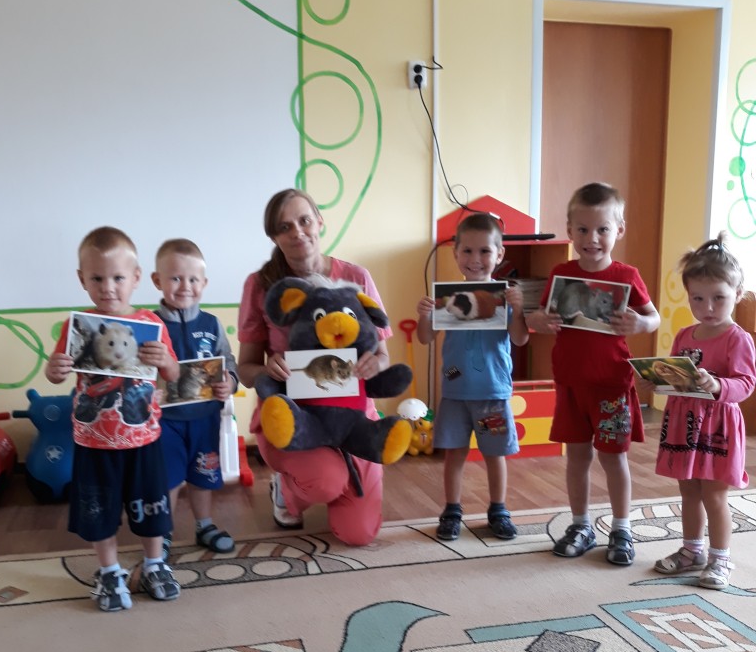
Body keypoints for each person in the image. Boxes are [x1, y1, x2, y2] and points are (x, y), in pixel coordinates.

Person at [237, 188, 395, 545]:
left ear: (319, 221)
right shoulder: (260, 285)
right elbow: (246, 369)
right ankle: (289, 491)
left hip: (353, 417)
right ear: (274, 237)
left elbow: (383, 356)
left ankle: (332, 480)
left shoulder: (356, 277)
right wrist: (267, 369)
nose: (297, 232)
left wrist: (375, 363)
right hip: (294, 418)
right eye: (284, 227)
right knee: (326, 481)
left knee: (358, 533)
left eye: (304, 220)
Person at [45, 226, 181, 611]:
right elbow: (57, 373)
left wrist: (165, 360)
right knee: (97, 511)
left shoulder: (153, 324)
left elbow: (173, 374)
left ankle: (155, 564)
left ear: (136, 278)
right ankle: (109, 571)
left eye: (118, 278)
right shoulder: (77, 327)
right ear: (82, 279)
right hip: (93, 441)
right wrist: (54, 369)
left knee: (152, 509)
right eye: (97, 279)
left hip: (143, 440)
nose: (108, 288)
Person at [527, 182, 660, 565]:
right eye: (583, 230)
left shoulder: (627, 275)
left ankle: (621, 528)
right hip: (571, 386)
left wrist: (641, 323)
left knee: (614, 459)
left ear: (619, 230)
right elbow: (538, 318)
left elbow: (653, 317)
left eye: (602, 229)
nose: (592, 238)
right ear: (570, 231)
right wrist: (539, 320)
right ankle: (580, 525)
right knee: (577, 458)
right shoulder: (560, 273)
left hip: (612, 386)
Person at [416, 212, 529, 541]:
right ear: (455, 253)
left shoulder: (505, 299)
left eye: (484, 251)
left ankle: (498, 510)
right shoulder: (446, 299)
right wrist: (424, 316)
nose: (475, 259)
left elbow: (521, 338)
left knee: (495, 454)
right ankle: (452, 510)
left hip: (492, 392)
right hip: (454, 390)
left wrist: (518, 310)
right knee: (454, 453)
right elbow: (425, 338)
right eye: (467, 251)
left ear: (499, 254)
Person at [653, 233, 756, 589]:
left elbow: (746, 383)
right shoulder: (685, 334)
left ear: (737, 294)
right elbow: (675, 374)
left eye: (718, 298)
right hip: (684, 423)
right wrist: (659, 380)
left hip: (718, 427)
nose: (707, 307)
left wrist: (717, 385)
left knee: (714, 494)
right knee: (688, 491)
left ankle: (720, 558)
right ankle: (691, 551)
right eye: (697, 298)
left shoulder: (737, 338)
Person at [152, 239, 238, 560]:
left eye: (193, 279)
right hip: (165, 423)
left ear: (204, 283)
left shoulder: (212, 324)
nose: (185, 286)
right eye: (175, 278)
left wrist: (229, 382)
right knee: (169, 480)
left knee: (204, 475)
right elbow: (139, 371)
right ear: (157, 280)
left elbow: (228, 362)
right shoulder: (149, 325)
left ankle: (204, 526)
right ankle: (162, 534)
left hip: (205, 419)